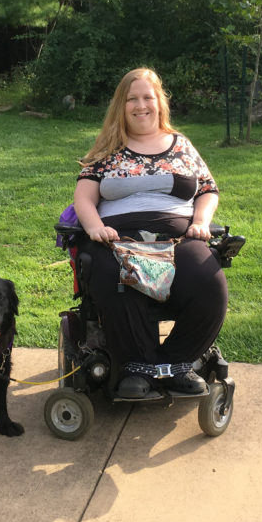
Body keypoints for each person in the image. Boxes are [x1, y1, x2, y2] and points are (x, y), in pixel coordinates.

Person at [73, 67, 229, 398]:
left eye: (148, 97)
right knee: (114, 277)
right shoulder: (107, 149)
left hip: (179, 236)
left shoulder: (182, 146)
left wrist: (200, 220)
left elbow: (208, 189)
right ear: (121, 105)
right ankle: (138, 367)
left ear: (159, 102)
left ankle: (176, 363)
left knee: (208, 281)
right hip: (118, 237)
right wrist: (95, 227)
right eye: (132, 99)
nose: (141, 105)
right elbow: (84, 197)